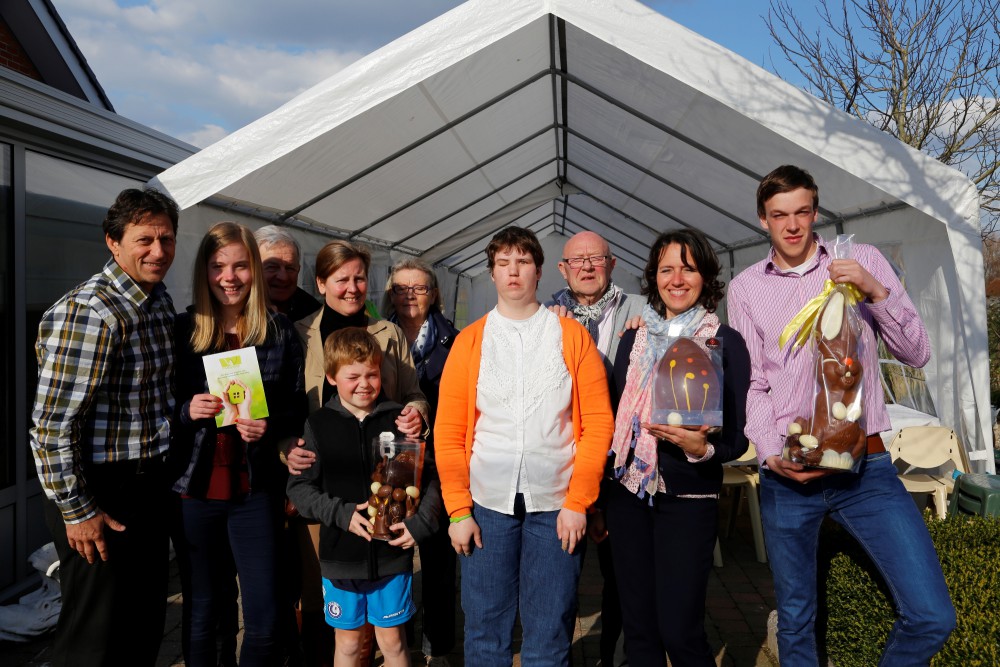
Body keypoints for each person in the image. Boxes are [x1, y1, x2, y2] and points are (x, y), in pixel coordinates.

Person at [726, 165, 955, 664]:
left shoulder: (861, 259)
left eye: (802, 212)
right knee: (796, 620)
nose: (792, 226)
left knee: (932, 615)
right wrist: (770, 454)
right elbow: (753, 385)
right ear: (762, 220)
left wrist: (876, 291)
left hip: (868, 469)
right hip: (791, 473)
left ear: (815, 212)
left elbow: (917, 353)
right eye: (779, 215)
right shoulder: (745, 288)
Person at [435, 226, 615, 667]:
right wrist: (458, 510)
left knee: (550, 629)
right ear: (492, 273)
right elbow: (450, 432)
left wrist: (580, 501)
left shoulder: (572, 337)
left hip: (557, 506)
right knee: (483, 630)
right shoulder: (469, 342)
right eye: (503, 263)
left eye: (522, 262)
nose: (513, 271)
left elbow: (596, 424)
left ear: (538, 271)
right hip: (486, 506)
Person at [29, 187, 179, 667]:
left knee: (141, 625)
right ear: (113, 242)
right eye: (144, 240)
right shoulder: (91, 312)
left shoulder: (156, 301)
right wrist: (77, 510)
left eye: (167, 239)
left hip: (145, 487)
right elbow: (51, 426)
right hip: (100, 491)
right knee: (94, 637)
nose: (158, 251)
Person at [607, 229, 750, 666]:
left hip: (688, 498)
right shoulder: (633, 340)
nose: (677, 278)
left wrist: (698, 449)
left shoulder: (724, 342)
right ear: (654, 277)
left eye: (688, 268)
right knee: (640, 631)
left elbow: (737, 438)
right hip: (628, 494)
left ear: (705, 276)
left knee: (680, 630)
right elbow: (615, 418)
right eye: (667, 268)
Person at [170, 221, 307, 667]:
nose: (229, 277)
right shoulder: (183, 330)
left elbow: (295, 406)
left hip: (255, 489)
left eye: (240, 266)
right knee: (205, 613)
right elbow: (153, 409)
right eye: (218, 266)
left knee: (266, 616)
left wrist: (268, 425)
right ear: (204, 272)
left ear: (253, 270)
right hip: (196, 490)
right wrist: (187, 410)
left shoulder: (279, 331)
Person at [288, 239, 429, 667]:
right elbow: (287, 406)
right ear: (321, 282)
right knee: (332, 614)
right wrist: (288, 452)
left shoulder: (386, 334)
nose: (352, 287)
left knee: (389, 631)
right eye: (341, 279)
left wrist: (415, 416)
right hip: (326, 477)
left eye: (359, 278)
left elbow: (413, 394)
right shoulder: (298, 332)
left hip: (385, 476)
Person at [547, 231, 644, 667]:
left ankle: (615, 655)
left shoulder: (643, 310)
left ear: (613, 262)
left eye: (596, 259)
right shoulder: (545, 315)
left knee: (620, 570)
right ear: (563, 269)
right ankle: (551, 654)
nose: (587, 267)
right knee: (557, 571)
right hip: (566, 460)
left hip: (622, 460)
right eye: (577, 261)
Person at [381, 259, 460, 665]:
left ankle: (440, 647)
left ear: (434, 294)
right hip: (390, 463)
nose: (410, 295)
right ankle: (399, 642)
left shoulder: (456, 341)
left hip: (439, 460)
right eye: (401, 288)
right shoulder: (374, 336)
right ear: (390, 294)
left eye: (419, 288)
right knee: (394, 556)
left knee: (439, 560)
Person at [256, 224, 322, 321]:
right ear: (253, 268)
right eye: (272, 267)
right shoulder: (234, 310)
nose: (283, 277)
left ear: (298, 270)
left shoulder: (314, 315)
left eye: (290, 268)